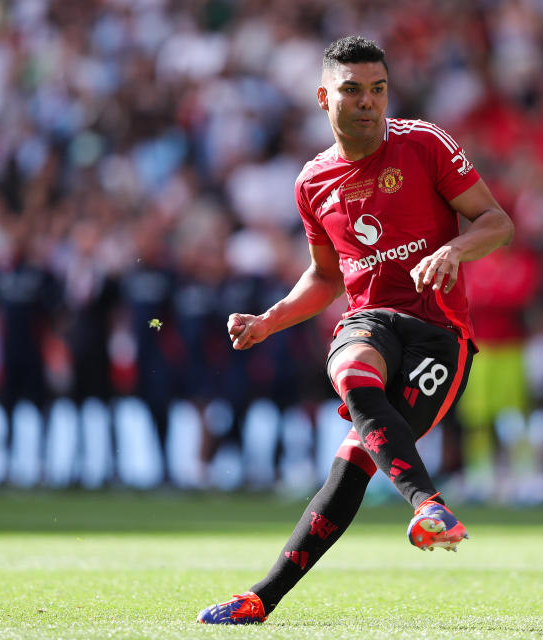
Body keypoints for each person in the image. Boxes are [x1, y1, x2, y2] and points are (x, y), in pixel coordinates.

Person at [197, 36, 514, 625]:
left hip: (439, 331)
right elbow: (324, 278)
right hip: (370, 322)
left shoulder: (425, 144)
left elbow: (496, 222)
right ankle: (430, 508)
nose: (368, 102)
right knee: (349, 368)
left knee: (350, 469)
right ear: (324, 98)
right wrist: (271, 320)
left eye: (378, 89)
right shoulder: (312, 183)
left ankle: (262, 596)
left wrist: (454, 249)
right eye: (352, 90)